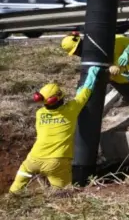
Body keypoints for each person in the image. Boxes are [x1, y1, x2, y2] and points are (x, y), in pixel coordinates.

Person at [9, 66, 103, 194]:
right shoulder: (71, 109)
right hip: (57, 162)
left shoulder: (40, 113)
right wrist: (92, 73)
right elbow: (85, 93)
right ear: (60, 98)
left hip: (33, 159)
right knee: (62, 194)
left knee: (19, 181)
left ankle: (12, 196)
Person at [61, 31, 129, 106]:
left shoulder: (104, 45)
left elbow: (116, 59)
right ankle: (127, 94)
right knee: (108, 75)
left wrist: (116, 66)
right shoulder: (90, 45)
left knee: (117, 75)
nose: (78, 54)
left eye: (77, 51)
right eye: (75, 53)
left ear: (80, 45)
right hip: (120, 52)